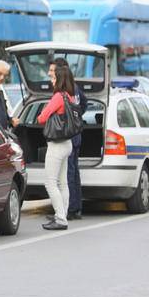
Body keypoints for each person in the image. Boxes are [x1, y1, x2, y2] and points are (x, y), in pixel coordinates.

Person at [37, 66, 76, 231]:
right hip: (68, 143)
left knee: (50, 183)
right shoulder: (70, 96)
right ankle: (63, 214)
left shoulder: (58, 97)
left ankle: (60, 218)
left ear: (59, 80)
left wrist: (46, 112)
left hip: (56, 145)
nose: (51, 81)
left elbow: (41, 118)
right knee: (63, 182)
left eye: (53, 79)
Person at [50, 58, 88, 220]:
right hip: (76, 134)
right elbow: (84, 103)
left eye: (52, 72)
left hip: (68, 136)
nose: (50, 74)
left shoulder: (64, 92)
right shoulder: (75, 89)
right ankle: (76, 207)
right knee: (74, 173)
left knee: (67, 174)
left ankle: (69, 210)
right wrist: (77, 118)